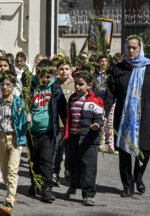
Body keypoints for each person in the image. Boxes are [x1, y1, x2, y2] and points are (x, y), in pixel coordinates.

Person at [104, 35, 150, 197]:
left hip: (144, 115)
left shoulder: (149, 68)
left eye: (134, 48)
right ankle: (127, 185)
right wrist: (105, 112)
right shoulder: (119, 68)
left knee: (144, 150)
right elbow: (110, 93)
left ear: (140, 49)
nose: (131, 51)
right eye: (129, 47)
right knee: (124, 153)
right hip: (123, 116)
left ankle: (138, 178)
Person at [25, 59, 67, 202]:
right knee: (34, 159)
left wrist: (67, 127)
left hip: (48, 131)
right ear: (37, 73)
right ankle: (34, 183)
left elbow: (63, 109)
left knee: (46, 160)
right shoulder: (30, 86)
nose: (45, 80)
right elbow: (21, 106)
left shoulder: (55, 88)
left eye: (49, 77)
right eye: (43, 76)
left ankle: (46, 189)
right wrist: (25, 115)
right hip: (31, 131)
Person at [0, 70, 27, 216]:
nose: (4, 87)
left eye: (8, 85)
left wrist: (27, 120)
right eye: (2, 84)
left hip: (15, 139)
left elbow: (23, 122)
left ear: (13, 86)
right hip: (0, 137)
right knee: (3, 171)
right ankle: (12, 191)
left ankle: (9, 200)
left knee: (12, 169)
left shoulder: (19, 102)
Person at [64, 70, 104, 206]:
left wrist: (97, 125)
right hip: (74, 138)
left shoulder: (95, 101)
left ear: (89, 85)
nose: (77, 87)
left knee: (89, 168)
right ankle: (74, 185)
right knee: (72, 165)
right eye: (75, 84)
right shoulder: (72, 99)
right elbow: (69, 117)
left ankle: (88, 195)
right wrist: (67, 135)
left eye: (81, 84)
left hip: (89, 139)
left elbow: (99, 119)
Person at [53, 59, 75, 186]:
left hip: (71, 125)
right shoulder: (55, 84)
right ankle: (55, 172)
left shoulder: (74, 84)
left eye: (66, 69)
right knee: (57, 150)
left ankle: (68, 172)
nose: (64, 71)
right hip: (59, 125)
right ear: (57, 71)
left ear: (71, 70)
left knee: (70, 150)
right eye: (61, 69)